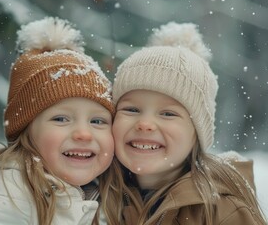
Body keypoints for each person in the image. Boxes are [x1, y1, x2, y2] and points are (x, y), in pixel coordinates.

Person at [0, 17, 123, 225]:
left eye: (98, 121)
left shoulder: (106, 196)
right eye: (61, 118)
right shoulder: (9, 191)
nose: (84, 133)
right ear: (25, 130)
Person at [110, 22, 267, 224]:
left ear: (197, 134)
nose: (145, 123)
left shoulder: (222, 211)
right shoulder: (99, 197)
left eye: (167, 114)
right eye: (131, 109)